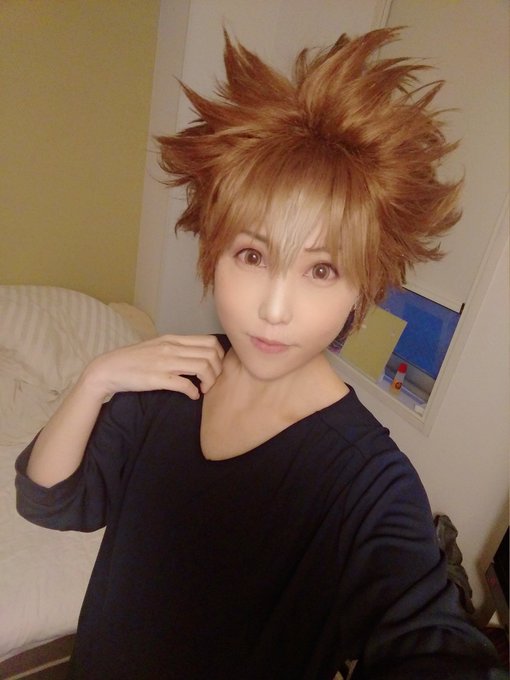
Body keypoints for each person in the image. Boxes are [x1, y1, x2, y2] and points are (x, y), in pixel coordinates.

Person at [15, 28, 506, 680]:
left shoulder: (369, 481)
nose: (275, 309)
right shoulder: (171, 379)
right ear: (213, 253)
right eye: (252, 255)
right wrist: (96, 379)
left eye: (321, 270)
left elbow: (428, 642)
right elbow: (47, 500)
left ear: (362, 288)